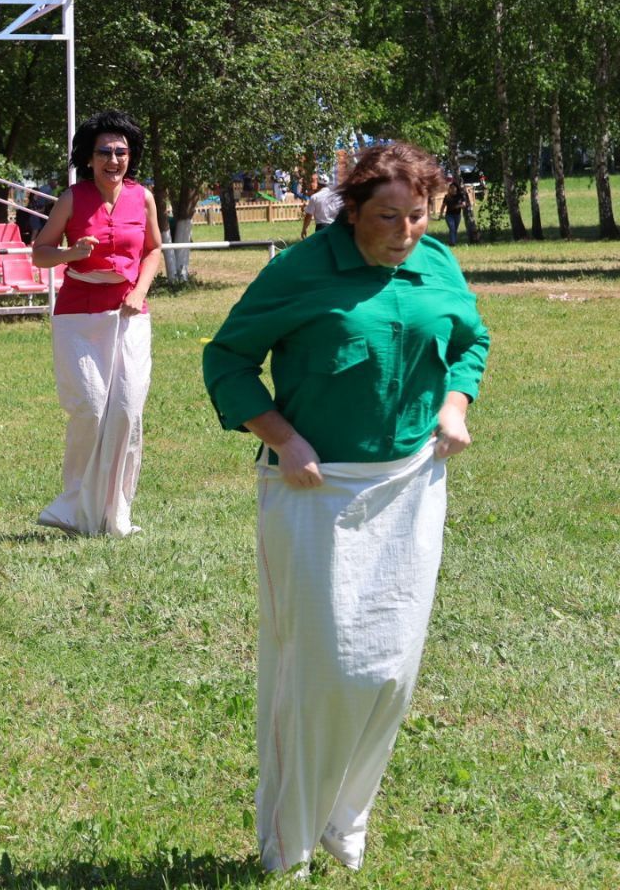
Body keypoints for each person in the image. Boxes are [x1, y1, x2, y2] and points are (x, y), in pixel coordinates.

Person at [202, 142, 490, 875]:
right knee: (321, 672)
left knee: (388, 673)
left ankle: (343, 822)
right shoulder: (299, 271)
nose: (404, 231)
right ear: (351, 210)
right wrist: (283, 438)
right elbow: (228, 359)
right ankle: (287, 843)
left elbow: (470, 340)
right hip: (314, 489)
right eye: (387, 216)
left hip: (411, 487)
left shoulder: (437, 264)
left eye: (418, 216)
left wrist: (455, 402)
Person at [30, 110, 162, 536]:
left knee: (125, 411)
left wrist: (140, 290)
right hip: (78, 316)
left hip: (129, 314)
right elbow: (40, 252)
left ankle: (115, 513)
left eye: (121, 152)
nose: (113, 159)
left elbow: (154, 250)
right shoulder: (72, 198)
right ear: (88, 158)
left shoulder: (142, 197)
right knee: (89, 407)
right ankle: (73, 507)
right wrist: (72, 254)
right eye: (104, 151)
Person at [300, 172, 343, 239]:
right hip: (335, 227)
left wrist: (304, 229)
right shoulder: (336, 196)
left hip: (321, 228)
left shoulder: (315, 197)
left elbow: (308, 216)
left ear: (318, 184)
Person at [442, 179, 470, 247]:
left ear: (457, 188)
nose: (452, 189)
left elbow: (464, 204)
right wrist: (441, 214)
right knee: (452, 228)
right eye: (451, 188)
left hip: (457, 215)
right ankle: (452, 243)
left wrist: (458, 206)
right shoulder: (447, 196)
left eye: (454, 188)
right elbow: (443, 206)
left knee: (455, 229)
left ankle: (453, 240)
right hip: (449, 215)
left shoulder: (460, 195)